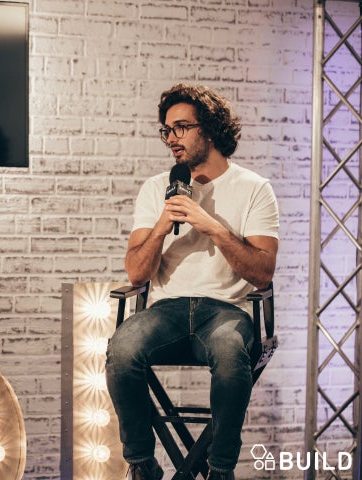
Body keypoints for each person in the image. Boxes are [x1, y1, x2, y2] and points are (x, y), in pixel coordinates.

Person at [105, 84, 279, 480]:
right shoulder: (156, 189)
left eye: (181, 127)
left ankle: (219, 470)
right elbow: (136, 272)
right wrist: (163, 226)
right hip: (167, 309)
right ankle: (143, 466)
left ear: (211, 129)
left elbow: (262, 271)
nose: (171, 138)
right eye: (166, 130)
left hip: (226, 312)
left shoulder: (254, 189)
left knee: (232, 356)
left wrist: (212, 226)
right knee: (121, 349)